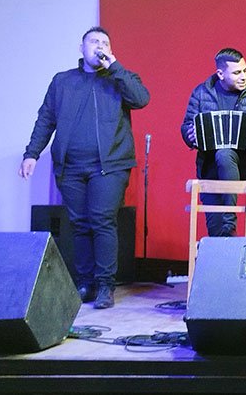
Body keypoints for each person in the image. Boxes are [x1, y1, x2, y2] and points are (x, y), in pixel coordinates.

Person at [19, 27, 150, 309]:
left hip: (110, 165)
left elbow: (141, 99)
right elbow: (46, 119)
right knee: (79, 225)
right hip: (71, 166)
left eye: (104, 42)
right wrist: (32, 153)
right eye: (94, 41)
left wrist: (114, 67)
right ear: (81, 48)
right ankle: (86, 283)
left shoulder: (119, 78)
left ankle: (105, 285)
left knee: (102, 220)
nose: (99, 46)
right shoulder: (63, 81)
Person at [181, 48, 246, 237]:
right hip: (209, 167)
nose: (244, 76)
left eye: (245, 70)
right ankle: (225, 247)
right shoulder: (202, 93)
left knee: (225, 152)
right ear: (220, 74)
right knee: (215, 231)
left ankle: (229, 219)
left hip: (244, 162)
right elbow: (187, 126)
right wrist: (190, 135)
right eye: (237, 72)